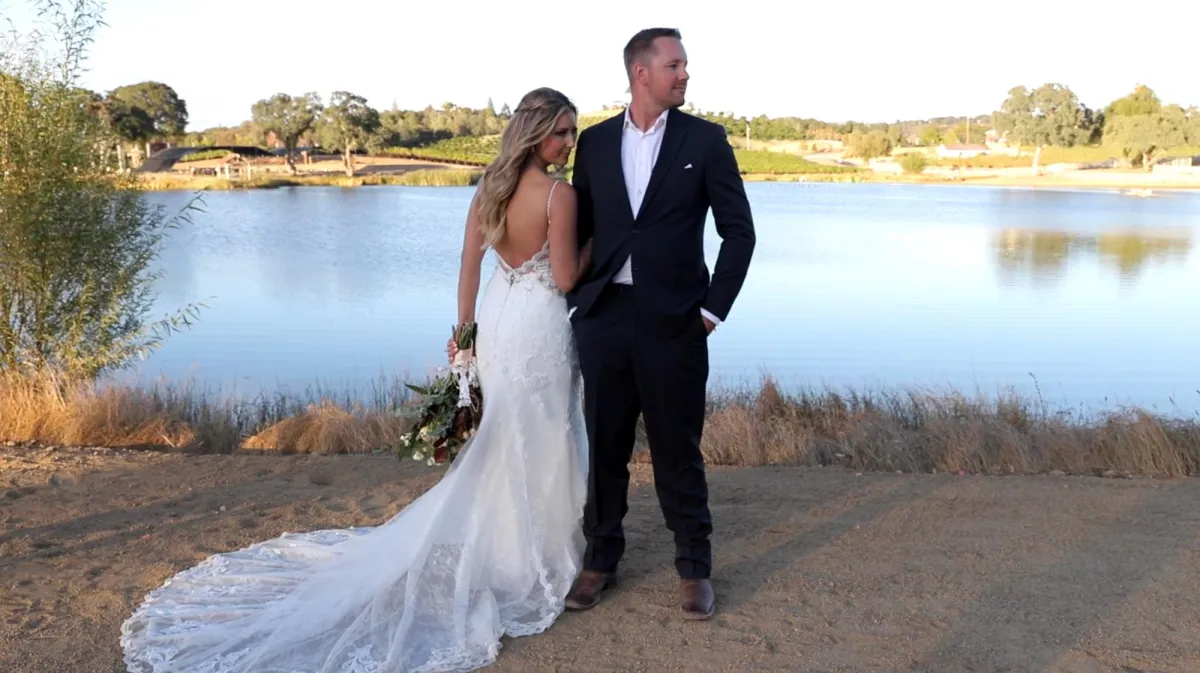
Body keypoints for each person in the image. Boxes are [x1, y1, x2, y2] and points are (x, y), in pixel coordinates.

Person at [118, 87, 594, 673]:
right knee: (540, 435)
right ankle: (534, 556)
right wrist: (606, 246)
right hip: (539, 327)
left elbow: (469, 267)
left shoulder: (490, 188)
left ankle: (508, 547)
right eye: (561, 132)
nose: (568, 144)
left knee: (505, 436)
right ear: (534, 132)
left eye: (572, 133)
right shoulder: (559, 195)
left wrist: (466, 341)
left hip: (498, 320)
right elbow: (567, 278)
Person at [565, 27, 756, 620]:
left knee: (678, 449)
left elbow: (738, 232)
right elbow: (583, 231)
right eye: (674, 65)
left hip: (676, 323)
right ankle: (600, 559)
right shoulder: (593, 145)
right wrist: (577, 306)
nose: (684, 74)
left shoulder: (707, 140)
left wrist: (709, 309)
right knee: (606, 447)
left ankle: (694, 567)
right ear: (640, 72)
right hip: (606, 321)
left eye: (685, 65)